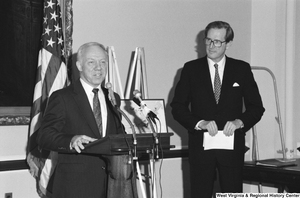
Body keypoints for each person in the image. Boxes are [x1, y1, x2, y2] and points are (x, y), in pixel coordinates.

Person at [171, 21, 265, 197]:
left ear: (228, 44)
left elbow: (257, 107)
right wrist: (199, 123)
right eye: (208, 40)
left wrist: (240, 122)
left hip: (231, 151)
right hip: (201, 151)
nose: (211, 45)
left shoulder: (241, 69)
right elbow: (177, 107)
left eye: (217, 41)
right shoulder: (191, 69)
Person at [37, 42, 124, 198]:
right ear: (79, 65)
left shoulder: (113, 97)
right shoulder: (62, 97)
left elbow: (119, 134)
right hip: (75, 186)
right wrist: (71, 140)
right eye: (91, 62)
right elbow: (44, 136)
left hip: (111, 185)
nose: (99, 67)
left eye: (103, 62)